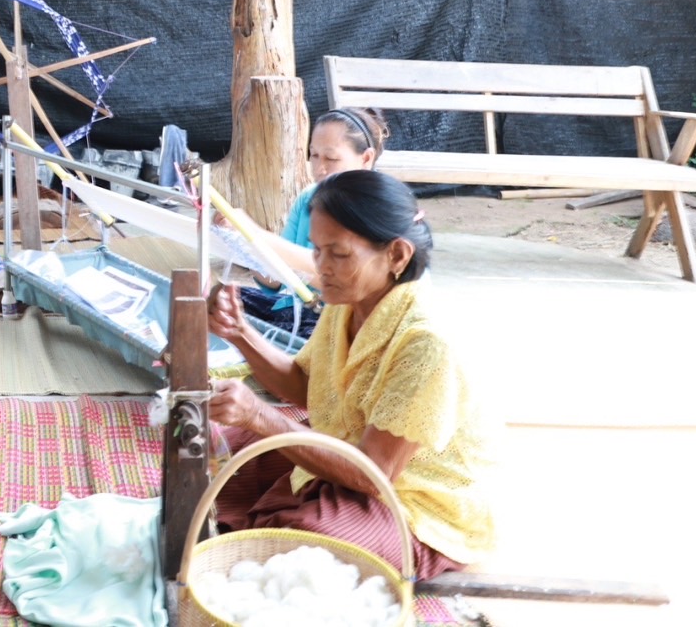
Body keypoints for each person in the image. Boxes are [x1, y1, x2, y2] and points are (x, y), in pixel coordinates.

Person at [205, 169, 498, 578]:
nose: (321, 267)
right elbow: (307, 386)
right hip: (356, 452)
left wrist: (260, 416)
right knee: (225, 452)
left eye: (339, 254)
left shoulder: (427, 343)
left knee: (297, 551)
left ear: (397, 255)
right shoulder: (348, 300)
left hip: (415, 499)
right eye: (317, 251)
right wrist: (240, 333)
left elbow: (374, 475)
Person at [227, 107, 389, 335]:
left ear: (366, 158)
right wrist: (240, 243)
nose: (320, 168)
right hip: (297, 309)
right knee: (222, 300)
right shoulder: (308, 199)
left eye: (331, 158)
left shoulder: (379, 207)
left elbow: (342, 279)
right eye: (314, 155)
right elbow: (275, 278)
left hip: (343, 317)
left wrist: (256, 234)